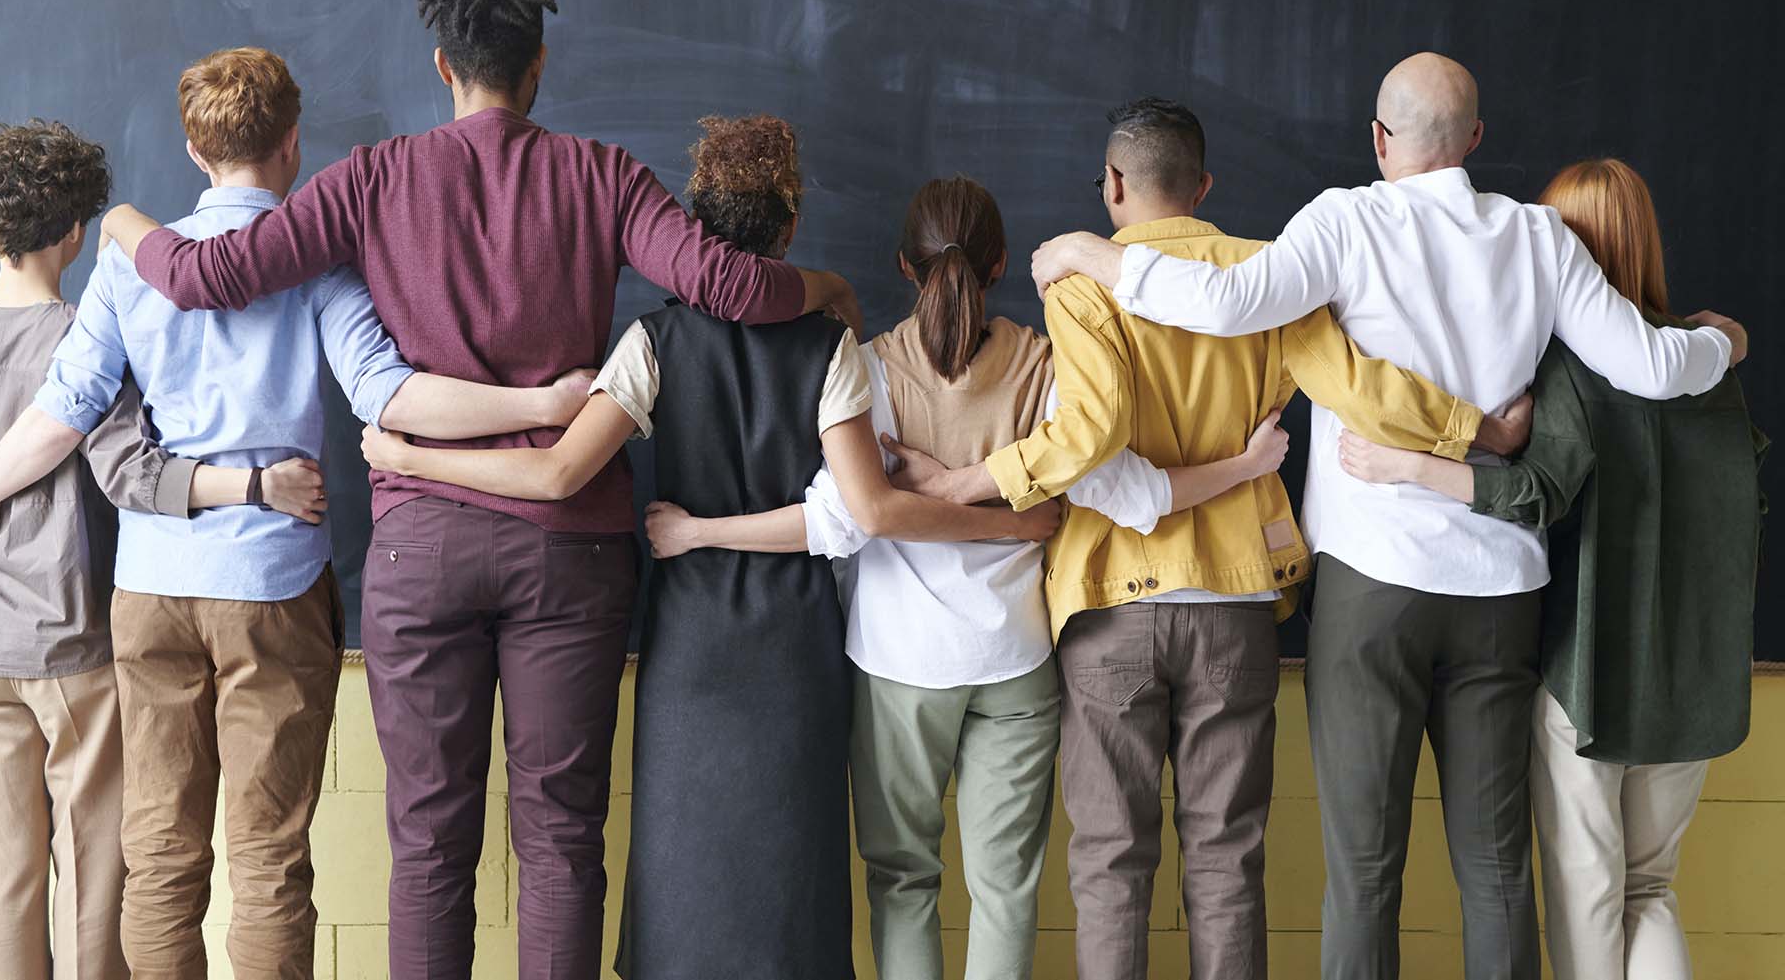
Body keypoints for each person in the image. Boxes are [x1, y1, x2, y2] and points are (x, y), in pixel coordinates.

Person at [95, 0, 860, 980]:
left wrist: (122, 222)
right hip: (571, 555)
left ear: (443, 68)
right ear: (537, 66)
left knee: (428, 847)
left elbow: (209, 275)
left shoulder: (371, 177)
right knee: (562, 839)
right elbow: (729, 285)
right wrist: (827, 284)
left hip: (421, 553)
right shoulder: (603, 175)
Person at [1027, 56, 1746, 980]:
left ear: (1377, 138)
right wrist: (1721, 341)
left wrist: (1091, 252)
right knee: (1497, 869)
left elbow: (1225, 301)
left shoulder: (1345, 220)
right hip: (1501, 590)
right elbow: (1651, 366)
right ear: (1475, 139)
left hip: (1372, 585)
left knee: (1365, 871)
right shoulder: (1538, 237)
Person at [360, 117, 1060, 980]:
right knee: (794, 886)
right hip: (796, 646)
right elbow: (867, 509)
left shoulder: (653, 342)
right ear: (790, 229)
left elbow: (556, 474)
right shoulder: (833, 347)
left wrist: (408, 457)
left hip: (692, 645)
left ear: (692, 228)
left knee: (683, 881)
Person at [0, 50, 585, 980]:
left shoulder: (127, 267)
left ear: (193, 151)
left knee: (159, 858)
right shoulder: (318, 265)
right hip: (273, 590)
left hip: (152, 590)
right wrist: (543, 404)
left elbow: (62, 413)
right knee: (270, 858)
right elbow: (389, 395)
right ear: (293, 143)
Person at [882, 97, 1514, 980]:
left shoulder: (1081, 288)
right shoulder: (1268, 274)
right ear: (1204, 186)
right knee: (1227, 860)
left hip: (1111, 603)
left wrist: (964, 482)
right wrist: (1473, 427)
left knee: (1111, 863)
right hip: (1235, 597)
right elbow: (1359, 387)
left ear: (1113, 184)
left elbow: (1088, 433)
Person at [642, 171, 1293, 980]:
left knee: (903, 879)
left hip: (898, 663)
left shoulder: (869, 369)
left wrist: (701, 531)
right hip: (1016, 657)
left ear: (904, 266)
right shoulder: (1046, 364)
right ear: (1001, 264)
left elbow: (843, 519)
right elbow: (1117, 491)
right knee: (1007, 891)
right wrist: (1016, 514)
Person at [0, 120, 323, 980]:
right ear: (77, 231)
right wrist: (252, 486)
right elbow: (130, 472)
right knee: (95, 877)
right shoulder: (89, 333)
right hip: (76, 645)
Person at [1336, 158, 1764, 980]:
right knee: (1651, 888)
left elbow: (1537, 491)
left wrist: (1414, 466)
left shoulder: (1569, 366)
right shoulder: (1711, 370)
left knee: (1588, 892)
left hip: (1591, 677)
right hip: (1697, 676)